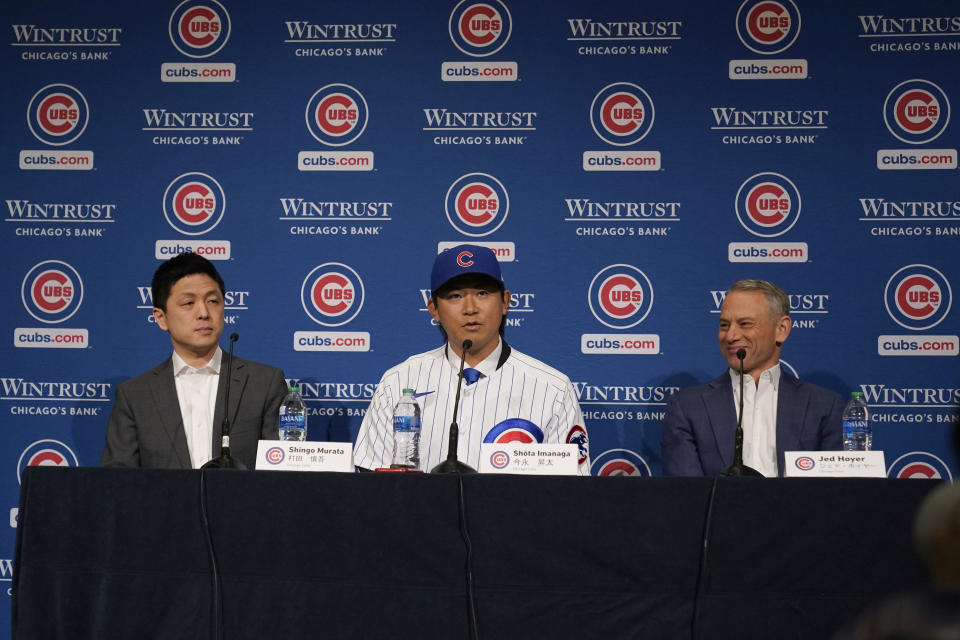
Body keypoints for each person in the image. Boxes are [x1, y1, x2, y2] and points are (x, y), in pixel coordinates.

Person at [353, 244, 590, 473]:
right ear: (433, 309)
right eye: (455, 296)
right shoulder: (397, 382)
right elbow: (374, 483)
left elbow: (570, 492)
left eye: (482, 293)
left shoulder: (553, 389)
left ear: (505, 302)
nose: (470, 308)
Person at [101, 253, 287, 469]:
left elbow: (281, 476)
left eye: (213, 301)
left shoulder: (264, 384)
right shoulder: (135, 396)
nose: (204, 313)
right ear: (161, 317)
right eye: (188, 303)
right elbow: (117, 481)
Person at [661, 279, 842, 477]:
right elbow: (687, 494)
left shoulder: (824, 406)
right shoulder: (688, 407)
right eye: (724, 325)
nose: (730, 336)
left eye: (745, 324)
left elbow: (835, 494)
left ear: (781, 329)